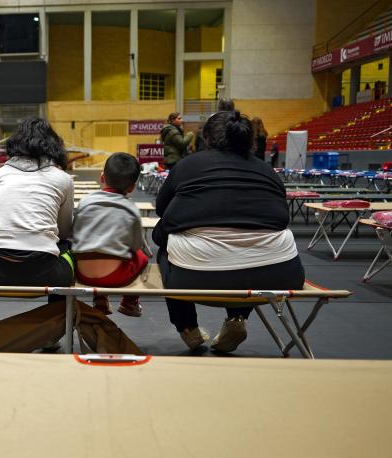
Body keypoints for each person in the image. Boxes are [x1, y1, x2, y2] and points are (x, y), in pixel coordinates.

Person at [153, 110, 304, 352]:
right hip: (279, 275)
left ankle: (187, 327)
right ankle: (237, 318)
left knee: (164, 243)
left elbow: (162, 208)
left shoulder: (187, 165)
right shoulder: (267, 171)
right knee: (249, 250)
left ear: (208, 139)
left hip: (193, 278)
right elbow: (280, 218)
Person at [0, 117, 74, 328]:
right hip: (45, 273)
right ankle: (50, 331)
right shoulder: (63, 179)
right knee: (67, 249)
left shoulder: (0, 175)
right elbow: (64, 231)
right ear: (53, 145)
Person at [72, 153, 148, 317]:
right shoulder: (131, 209)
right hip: (116, 277)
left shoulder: (84, 202)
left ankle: (100, 301)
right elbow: (135, 246)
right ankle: (129, 303)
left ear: (102, 177)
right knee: (142, 256)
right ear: (132, 187)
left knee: (94, 248)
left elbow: (75, 235)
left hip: (81, 274)